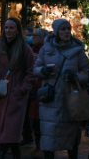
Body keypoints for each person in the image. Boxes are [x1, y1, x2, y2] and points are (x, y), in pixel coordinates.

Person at [34, 18, 89, 159]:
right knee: (49, 137)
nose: (66, 32)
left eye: (68, 29)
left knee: (71, 139)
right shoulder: (46, 49)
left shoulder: (77, 51)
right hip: (50, 101)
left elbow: (87, 72)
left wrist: (76, 76)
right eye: (63, 29)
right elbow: (35, 69)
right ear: (56, 31)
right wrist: (43, 71)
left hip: (70, 101)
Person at [0, 17, 36, 159]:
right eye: (6, 27)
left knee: (11, 128)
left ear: (18, 30)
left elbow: (31, 72)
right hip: (1, 93)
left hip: (16, 94)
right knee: (4, 126)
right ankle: (14, 153)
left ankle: (1, 152)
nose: (8, 30)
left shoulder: (24, 49)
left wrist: (22, 88)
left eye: (11, 28)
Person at [28, 28, 49, 159]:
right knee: (35, 119)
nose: (32, 37)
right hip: (33, 87)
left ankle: (42, 146)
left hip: (41, 87)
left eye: (35, 35)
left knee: (41, 118)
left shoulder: (45, 50)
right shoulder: (31, 49)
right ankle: (38, 145)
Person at [21, 26, 36, 148]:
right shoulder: (22, 48)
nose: (31, 38)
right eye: (28, 35)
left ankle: (29, 136)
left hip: (30, 86)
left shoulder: (35, 49)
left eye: (33, 35)